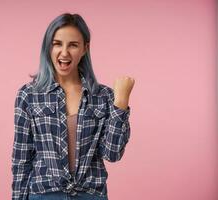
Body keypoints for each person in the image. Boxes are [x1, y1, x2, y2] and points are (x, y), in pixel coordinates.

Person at [11, 13, 135, 200]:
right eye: (57, 43)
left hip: (90, 195)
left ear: (85, 48)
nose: (64, 53)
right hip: (45, 194)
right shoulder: (29, 95)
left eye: (73, 45)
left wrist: (121, 102)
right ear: (48, 47)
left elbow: (112, 153)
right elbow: (21, 158)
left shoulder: (103, 96)